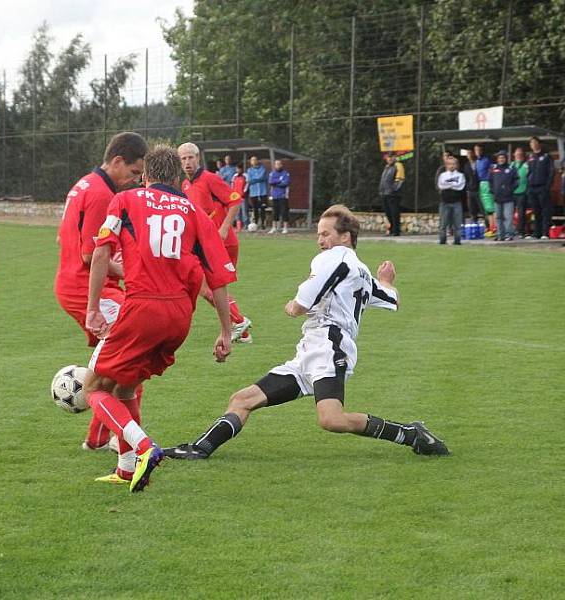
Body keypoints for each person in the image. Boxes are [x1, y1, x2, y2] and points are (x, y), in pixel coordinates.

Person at [163, 204, 450, 461]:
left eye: (325, 234)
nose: (320, 240)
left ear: (345, 237)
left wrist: (293, 306)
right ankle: (199, 448)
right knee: (242, 399)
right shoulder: (361, 271)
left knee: (331, 419)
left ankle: (411, 433)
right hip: (311, 349)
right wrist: (386, 281)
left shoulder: (336, 258)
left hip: (329, 345)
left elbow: (302, 303)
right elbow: (392, 300)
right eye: (318, 234)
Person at [83, 144, 236, 491]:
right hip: (180, 317)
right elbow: (219, 277)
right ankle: (126, 469)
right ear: (180, 178)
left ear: (147, 175)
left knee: (93, 387)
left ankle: (144, 447)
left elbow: (101, 253)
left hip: (142, 308)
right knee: (124, 387)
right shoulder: (193, 211)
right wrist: (227, 332)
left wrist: (92, 308)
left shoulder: (125, 200)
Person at [54, 132, 148, 451]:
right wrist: (137, 273)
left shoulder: (85, 184)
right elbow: (91, 255)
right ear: (117, 161)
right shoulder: (99, 194)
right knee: (133, 361)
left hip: (76, 284)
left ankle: (100, 438)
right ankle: (126, 441)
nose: (135, 181)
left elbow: (62, 240)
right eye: (134, 173)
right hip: (88, 289)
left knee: (119, 367)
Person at [178, 142, 252, 343]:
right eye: (183, 159)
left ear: (198, 158)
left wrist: (224, 228)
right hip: (206, 244)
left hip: (222, 243)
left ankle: (239, 321)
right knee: (208, 287)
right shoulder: (185, 184)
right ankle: (243, 332)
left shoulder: (210, 179)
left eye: (190, 157)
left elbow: (235, 199)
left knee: (206, 287)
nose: (187, 162)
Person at [526, 136, 554, 239]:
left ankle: (545, 233)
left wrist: (547, 186)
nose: (532, 144)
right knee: (535, 211)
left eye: (534, 142)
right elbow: (528, 172)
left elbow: (551, 172)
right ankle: (536, 233)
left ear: (538, 143)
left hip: (542, 187)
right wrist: (528, 185)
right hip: (532, 188)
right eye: (531, 143)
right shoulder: (530, 156)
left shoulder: (546, 156)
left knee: (545, 211)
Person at [488, 150, 519, 241]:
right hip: (497, 197)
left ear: (506, 158)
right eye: (500, 158)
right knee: (498, 217)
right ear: (497, 159)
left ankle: (509, 234)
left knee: (508, 217)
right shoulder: (493, 169)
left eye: (503, 157)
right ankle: (500, 234)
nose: (501, 159)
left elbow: (516, 181)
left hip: (508, 197)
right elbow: (490, 181)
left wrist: (510, 189)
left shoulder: (511, 168)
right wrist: (493, 190)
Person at [437, 156, 466, 245]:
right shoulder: (442, 175)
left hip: (456, 202)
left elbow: (460, 186)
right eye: (449, 164)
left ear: (456, 165)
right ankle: (442, 240)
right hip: (445, 202)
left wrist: (448, 185)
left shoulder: (460, 175)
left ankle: (457, 241)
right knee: (443, 223)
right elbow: (441, 186)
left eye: (453, 164)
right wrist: (453, 185)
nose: (452, 166)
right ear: (446, 165)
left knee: (457, 224)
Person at [379, 153, 404, 236]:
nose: (389, 159)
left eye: (391, 157)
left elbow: (400, 180)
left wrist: (394, 190)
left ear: (394, 157)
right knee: (388, 212)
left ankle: (396, 230)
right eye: (388, 157)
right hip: (384, 193)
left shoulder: (398, 165)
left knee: (394, 212)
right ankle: (392, 229)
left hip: (393, 194)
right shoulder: (387, 167)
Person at [474, 144, 496, 237]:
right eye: (476, 150)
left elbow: (493, 169)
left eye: (479, 150)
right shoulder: (477, 161)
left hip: (487, 183)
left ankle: (495, 227)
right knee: (487, 208)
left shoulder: (486, 160)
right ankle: (491, 227)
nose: (477, 151)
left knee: (491, 206)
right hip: (481, 184)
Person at [268, 159, 291, 234]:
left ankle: (285, 228)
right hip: (274, 195)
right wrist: (279, 180)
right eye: (276, 164)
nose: (277, 165)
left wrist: (276, 183)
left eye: (279, 164)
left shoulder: (285, 173)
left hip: (283, 195)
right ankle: (274, 227)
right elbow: (270, 182)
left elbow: (286, 183)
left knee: (284, 211)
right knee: (275, 212)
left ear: (281, 165)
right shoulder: (272, 173)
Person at [246, 155, 268, 229]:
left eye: (255, 160)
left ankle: (263, 223)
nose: (254, 161)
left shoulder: (263, 169)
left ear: (257, 161)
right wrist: (257, 179)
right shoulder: (249, 170)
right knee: (255, 208)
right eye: (252, 160)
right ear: (251, 162)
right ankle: (255, 224)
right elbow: (249, 180)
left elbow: (262, 177)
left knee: (262, 208)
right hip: (253, 192)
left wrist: (255, 179)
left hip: (262, 192)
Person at [511, 147, 529, 238]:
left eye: (521, 154)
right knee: (510, 213)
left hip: (523, 191)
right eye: (517, 154)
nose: (519, 155)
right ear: (514, 155)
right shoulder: (511, 165)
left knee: (521, 213)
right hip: (512, 192)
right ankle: (510, 231)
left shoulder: (527, 165)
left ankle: (521, 231)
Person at [462, 148, 483, 223]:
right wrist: (467, 187)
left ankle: (488, 226)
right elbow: (465, 177)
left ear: (473, 154)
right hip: (470, 190)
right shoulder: (466, 165)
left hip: (479, 190)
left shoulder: (478, 163)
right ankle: (474, 224)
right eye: (468, 154)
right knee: (472, 209)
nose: (470, 155)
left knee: (482, 208)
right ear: (467, 156)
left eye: (471, 153)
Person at [231, 162, 249, 230]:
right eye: (237, 169)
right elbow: (232, 185)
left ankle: (246, 225)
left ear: (242, 169)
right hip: (236, 198)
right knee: (237, 212)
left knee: (244, 211)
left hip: (243, 197)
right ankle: (239, 226)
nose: (238, 170)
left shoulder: (245, 176)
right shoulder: (234, 176)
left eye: (239, 169)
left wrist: (243, 193)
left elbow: (247, 185)